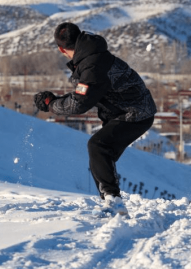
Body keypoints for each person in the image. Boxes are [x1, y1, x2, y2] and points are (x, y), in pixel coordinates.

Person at [34, 22, 157, 215]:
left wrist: (51, 105)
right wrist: (57, 101)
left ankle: (114, 203)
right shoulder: (92, 56)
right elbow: (84, 93)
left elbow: (80, 102)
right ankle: (111, 200)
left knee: (98, 147)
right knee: (100, 157)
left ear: (61, 49)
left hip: (136, 114)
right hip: (127, 111)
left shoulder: (92, 65)